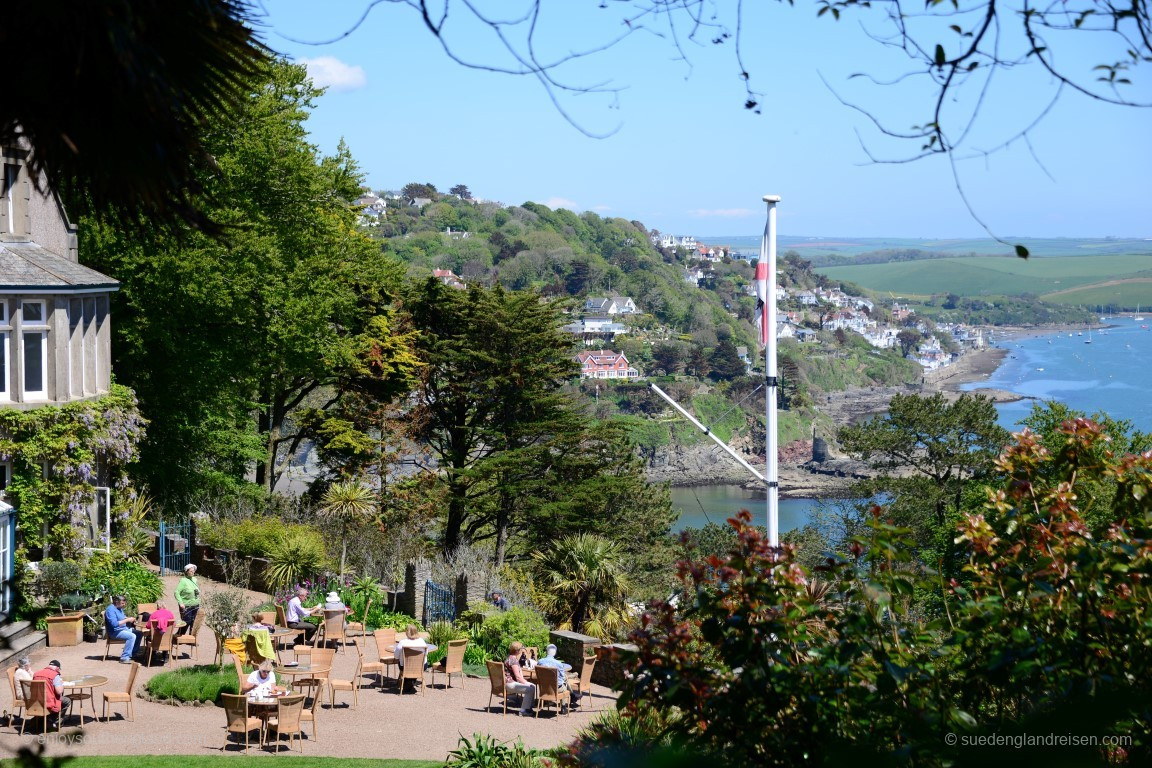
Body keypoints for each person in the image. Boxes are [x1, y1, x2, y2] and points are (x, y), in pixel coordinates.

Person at [535, 643, 582, 709]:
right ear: (555, 653)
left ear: (546, 652)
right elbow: (562, 677)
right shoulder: (558, 664)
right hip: (556, 689)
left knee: (564, 678)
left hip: (544, 688)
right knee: (564, 683)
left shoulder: (540, 662)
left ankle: (573, 695)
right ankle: (563, 707)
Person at [32, 660, 71, 729]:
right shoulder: (55, 675)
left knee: (59, 699)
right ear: (58, 668)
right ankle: (56, 721)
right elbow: (59, 691)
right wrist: (61, 684)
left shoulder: (36, 674)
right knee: (67, 700)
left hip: (36, 701)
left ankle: (46, 719)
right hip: (49, 702)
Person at [104, 594, 141, 663]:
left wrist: (129, 618)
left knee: (139, 633)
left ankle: (132, 654)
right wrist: (127, 620)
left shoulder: (119, 608)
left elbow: (121, 617)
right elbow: (114, 624)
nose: (124, 605)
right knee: (132, 636)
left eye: (124, 603)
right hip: (115, 632)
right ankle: (124, 658)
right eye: (122, 603)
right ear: (117, 602)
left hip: (122, 629)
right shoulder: (110, 610)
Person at [503, 641, 536, 716]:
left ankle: (528, 708)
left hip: (508, 682)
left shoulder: (510, 658)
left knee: (532, 686)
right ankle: (523, 711)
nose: (522, 651)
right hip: (510, 684)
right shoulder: (513, 661)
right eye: (521, 649)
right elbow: (518, 677)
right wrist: (527, 683)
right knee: (530, 688)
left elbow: (519, 675)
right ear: (518, 651)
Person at [175, 563, 200, 629]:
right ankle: (179, 637)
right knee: (186, 623)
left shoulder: (194, 579)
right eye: (191, 571)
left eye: (193, 571)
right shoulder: (183, 581)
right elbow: (176, 592)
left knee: (194, 624)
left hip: (195, 604)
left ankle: (191, 638)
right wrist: (180, 603)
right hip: (187, 605)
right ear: (187, 572)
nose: (193, 572)